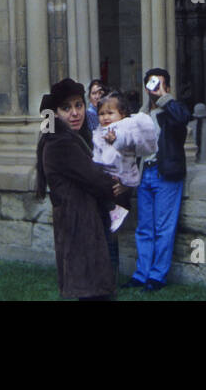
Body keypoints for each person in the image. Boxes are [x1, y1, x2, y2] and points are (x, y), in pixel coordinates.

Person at [35, 78, 122, 300]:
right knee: (93, 291)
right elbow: (96, 180)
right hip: (80, 227)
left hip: (84, 223)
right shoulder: (60, 142)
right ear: (55, 114)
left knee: (96, 290)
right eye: (66, 108)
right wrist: (117, 184)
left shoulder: (72, 138)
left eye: (78, 105)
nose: (75, 113)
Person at [127, 68, 190, 292]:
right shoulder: (140, 115)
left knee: (164, 227)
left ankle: (157, 275)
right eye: (152, 84)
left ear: (168, 88)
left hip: (166, 174)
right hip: (145, 173)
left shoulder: (173, 111)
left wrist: (165, 97)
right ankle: (141, 273)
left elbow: (183, 118)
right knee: (144, 227)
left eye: (161, 84)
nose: (155, 89)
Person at [91, 91, 159, 274]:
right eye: (102, 114)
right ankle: (104, 272)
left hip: (121, 183)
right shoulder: (100, 131)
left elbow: (132, 141)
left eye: (110, 113)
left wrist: (116, 141)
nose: (105, 117)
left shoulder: (125, 127)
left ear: (122, 114)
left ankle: (111, 274)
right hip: (106, 184)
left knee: (111, 236)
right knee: (104, 234)